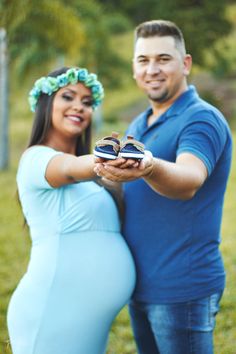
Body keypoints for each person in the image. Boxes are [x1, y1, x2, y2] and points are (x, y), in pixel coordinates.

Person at [94, 20, 233, 354]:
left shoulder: (201, 118)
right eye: (143, 61)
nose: (152, 69)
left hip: (182, 290)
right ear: (134, 69)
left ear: (185, 63)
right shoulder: (139, 124)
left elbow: (189, 179)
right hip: (142, 288)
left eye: (163, 59)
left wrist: (150, 166)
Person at [7, 66, 136, 354]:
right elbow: (70, 167)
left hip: (88, 322)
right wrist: (106, 157)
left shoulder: (94, 181)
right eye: (68, 96)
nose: (79, 106)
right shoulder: (36, 159)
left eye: (87, 102)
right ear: (46, 104)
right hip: (52, 313)